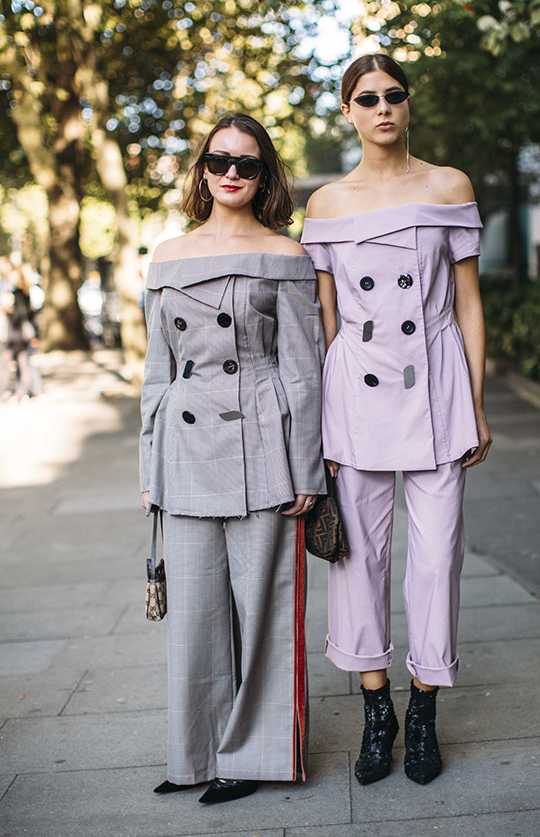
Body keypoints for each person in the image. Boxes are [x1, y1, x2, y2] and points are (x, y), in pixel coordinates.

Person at [301, 54, 492, 787]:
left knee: (438, 557)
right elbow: (326, 320)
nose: (383, 108)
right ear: (346, 111)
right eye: (366, 98)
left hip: (437, 389)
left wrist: (473, 402)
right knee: (358, 560)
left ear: (408, 105)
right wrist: (320, 422)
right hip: (356, 394)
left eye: (394, 96)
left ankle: (425, 709)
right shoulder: (326, 204)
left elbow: (469, 304)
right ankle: (375, 707)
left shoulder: (449, 186)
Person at [140, 113, 326, 804]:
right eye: (219, 160)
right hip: (186, 449)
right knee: (195, 617)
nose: (231, 173)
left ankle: (254, 758)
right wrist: (148, 467)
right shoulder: (166, 254)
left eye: (246, 164)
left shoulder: (287, 255)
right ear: (201, 169)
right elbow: (157, 373)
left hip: (264, 448)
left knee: (266, 612)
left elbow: (305, 370)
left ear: (265, 175)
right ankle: (195, 755)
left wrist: (308, 468)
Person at [0, 262, 37, 402]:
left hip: (14, 334)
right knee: (23, 364)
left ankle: (5, 391)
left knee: (6, 364)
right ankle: (23, 392)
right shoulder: (26, 294)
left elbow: (16, 314)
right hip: (22, 335)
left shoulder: (15, 295)